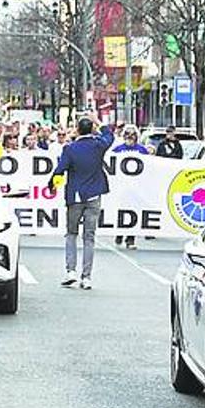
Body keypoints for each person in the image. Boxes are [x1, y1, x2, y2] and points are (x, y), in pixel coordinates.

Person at [46, 115, 114, 290]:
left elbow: (60, 169)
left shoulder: (70, 149)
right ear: (92, 129)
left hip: (75, 196)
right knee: (89, 237)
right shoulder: (99, 145)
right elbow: (109, 135)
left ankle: (70, 272)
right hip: (94, 195)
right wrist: (98, 123)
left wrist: (52, 185)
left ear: (76, 129)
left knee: (71, 234)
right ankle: (87, 277)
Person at [112, 126, 149, 250]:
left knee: (134, 213)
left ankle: (130, 239)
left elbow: (150, 167)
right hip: (121, 188)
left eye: (133, 134)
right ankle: (119, 233)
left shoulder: (142, 150)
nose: (130, 136)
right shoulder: (118, 150)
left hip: (136, 188)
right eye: (127, 133)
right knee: (121, 211)